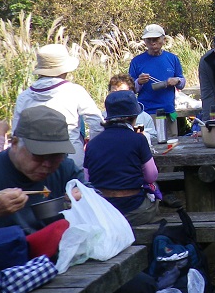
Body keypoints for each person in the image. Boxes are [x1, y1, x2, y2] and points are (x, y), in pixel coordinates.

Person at [0, 106, 84, 233]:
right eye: (39, 155)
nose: (47, 164)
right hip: (3, 251)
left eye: (56, 156)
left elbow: (95, 196)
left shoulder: (65, 168)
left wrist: (85, 198)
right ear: (14, 144)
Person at [12, 44, 103, 168]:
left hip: (35, 161)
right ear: (64, 70)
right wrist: (92, 149)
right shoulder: (74, 91)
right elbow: (97, 123)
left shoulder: (24, 97)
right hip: (71, 157)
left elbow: (17, 133)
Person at [84, 91, 161, 226]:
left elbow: (87, 179)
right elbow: (151, 176)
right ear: (134, 116)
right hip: (134, 210)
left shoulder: (92, 144)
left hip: (105, 210)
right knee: (155, 191)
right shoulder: (138, 139)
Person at [128, 24, 186, 118]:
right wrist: (139, 82)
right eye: (149, 40)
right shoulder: (136, 61)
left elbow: (182, 83)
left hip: (169, 112)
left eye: (155, 39)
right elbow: (130, 89)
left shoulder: (172, 58)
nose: (152, 43)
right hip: (146, 113)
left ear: (164, 40)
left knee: (172, 133)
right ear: (144, 41)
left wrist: (177, 80)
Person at [104, 73, 156, 145]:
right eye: (114, 92)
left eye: (122, 92)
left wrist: (144, 136)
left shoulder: (145, 117)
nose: (117, 96)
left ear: (132, 93)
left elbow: (154, 138)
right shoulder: (103, 117)